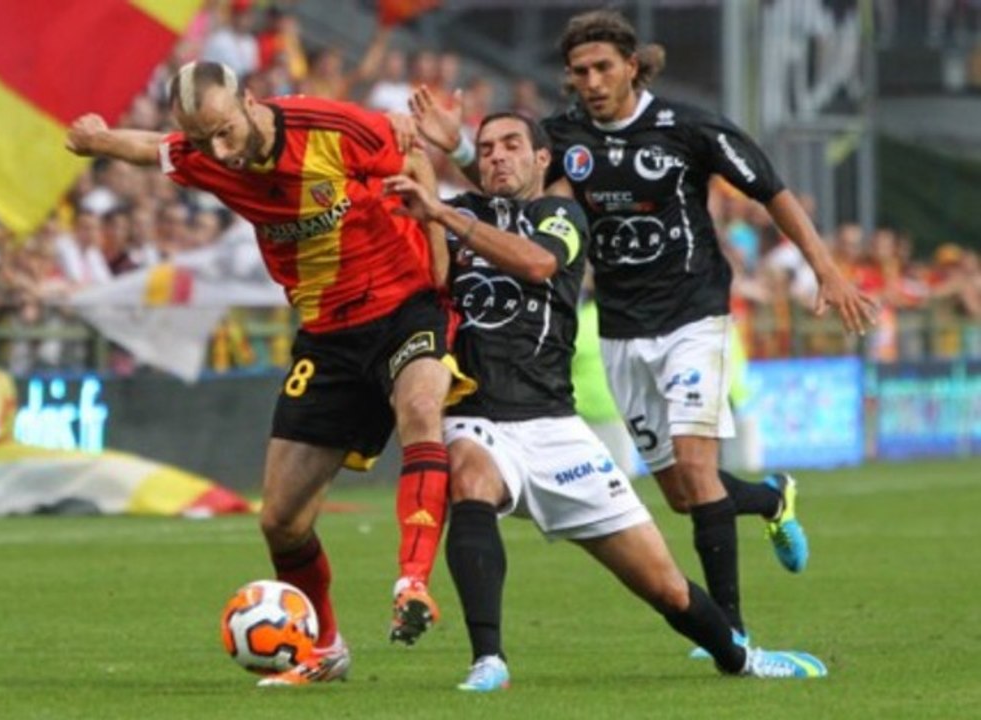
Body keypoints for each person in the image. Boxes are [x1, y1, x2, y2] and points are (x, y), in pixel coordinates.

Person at [409, 8, 878, 654]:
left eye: (603, 68)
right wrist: (459, 148)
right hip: (621, 330)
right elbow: (507, 196)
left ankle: (730, 629)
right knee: (684, 495)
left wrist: (825, 269)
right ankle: (771, 500)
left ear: (632, 65)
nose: (592, 81)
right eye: (579, 72)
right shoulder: (565, 134)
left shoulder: (687, 126)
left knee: (695, 466)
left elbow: (771, 189)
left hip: (693, 316)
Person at [386, 111, 828, 691]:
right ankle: (488, 660)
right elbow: (437, 272)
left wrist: (441, 213)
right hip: (477, 413)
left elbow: (538, 263)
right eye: (487, 147)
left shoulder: (561, 214)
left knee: (665, 586)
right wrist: (414, 158)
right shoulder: (460, 211)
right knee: (469, 479)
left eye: (511, 145)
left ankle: (741, 659)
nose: (496, 156)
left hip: (554, 425)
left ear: (542, 159)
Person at [66, 61, 475, 686]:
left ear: (250, 102)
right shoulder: (205, 153)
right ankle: (326, 649)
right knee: (280, 521)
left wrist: (441, 268)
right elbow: (158, 150)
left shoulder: (331, 128)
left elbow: (413, 159)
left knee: (420, 410)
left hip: (404, 303)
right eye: (204, 141)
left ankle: (412, 582)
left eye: (225, 132)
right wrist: (98, 140)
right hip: (327, 334)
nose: (219, 153)